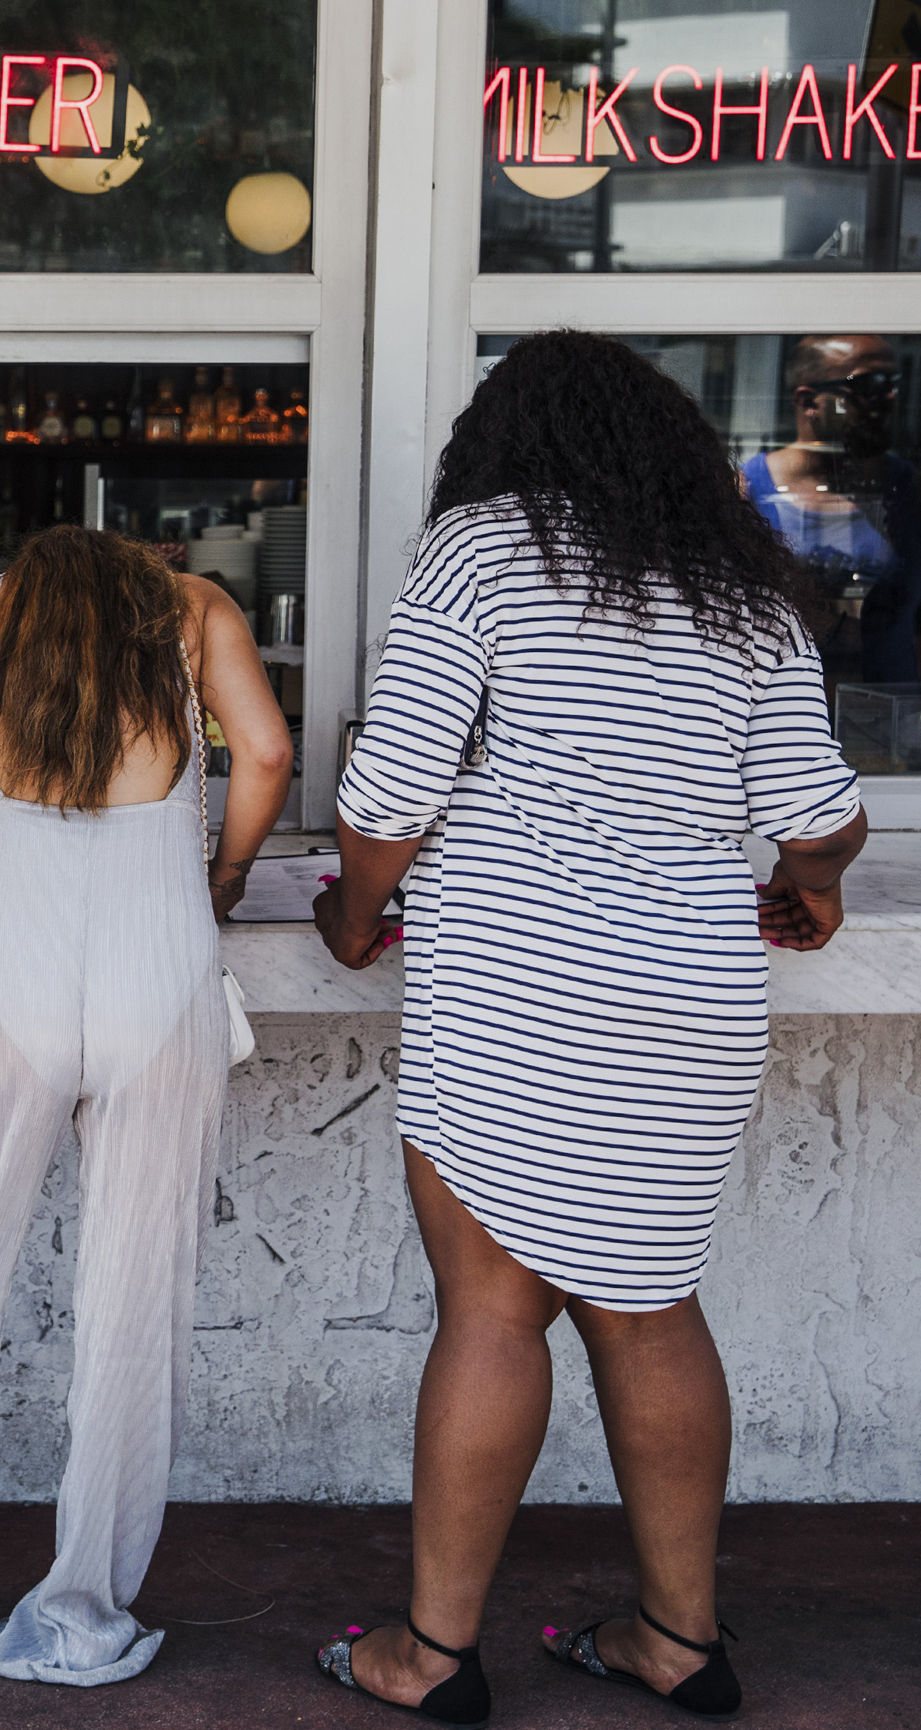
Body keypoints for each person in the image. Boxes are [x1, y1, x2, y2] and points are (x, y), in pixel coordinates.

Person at [311, 329, 866, 1725]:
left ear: (508, 442)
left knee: (494, 1306)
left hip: (514, 977)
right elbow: (822, 819)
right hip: (689, 993)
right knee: (652, 1302)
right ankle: (680, 1637)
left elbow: (387, 796)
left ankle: (430, 1657)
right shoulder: (745, 585)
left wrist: (353, 912)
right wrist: (804, 894)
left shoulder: (487, 546)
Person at [0, 524, 292, 1686]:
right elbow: (266, 755)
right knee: (135, 1307)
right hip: (162, 966)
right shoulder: (196, 610)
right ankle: (79, 1613)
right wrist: (222, 875)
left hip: (6, 968)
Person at [739, 332, 919, 684]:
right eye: (868, 384)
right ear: (810, 401)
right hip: (787, 708)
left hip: (888, 716)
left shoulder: (908, 490)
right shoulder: (746, 492)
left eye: (894, 383)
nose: (889, 397)